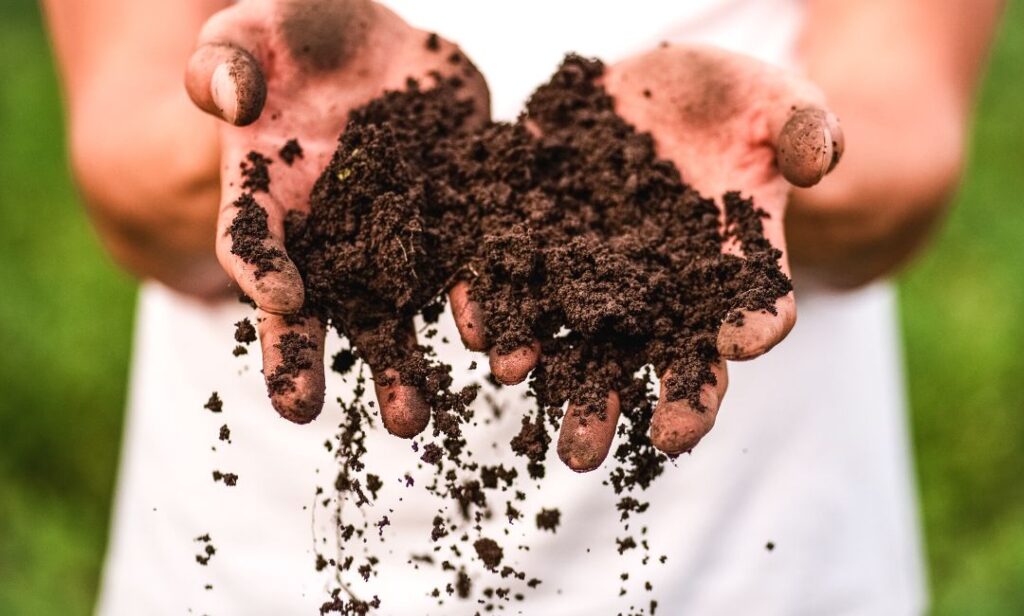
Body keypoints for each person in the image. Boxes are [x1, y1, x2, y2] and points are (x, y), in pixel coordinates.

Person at [40, 0, 1001, 614]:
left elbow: (905, 135)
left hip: (764, 559)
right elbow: (125, 159)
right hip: (262, 560)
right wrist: (262, 144)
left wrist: (769, 166)